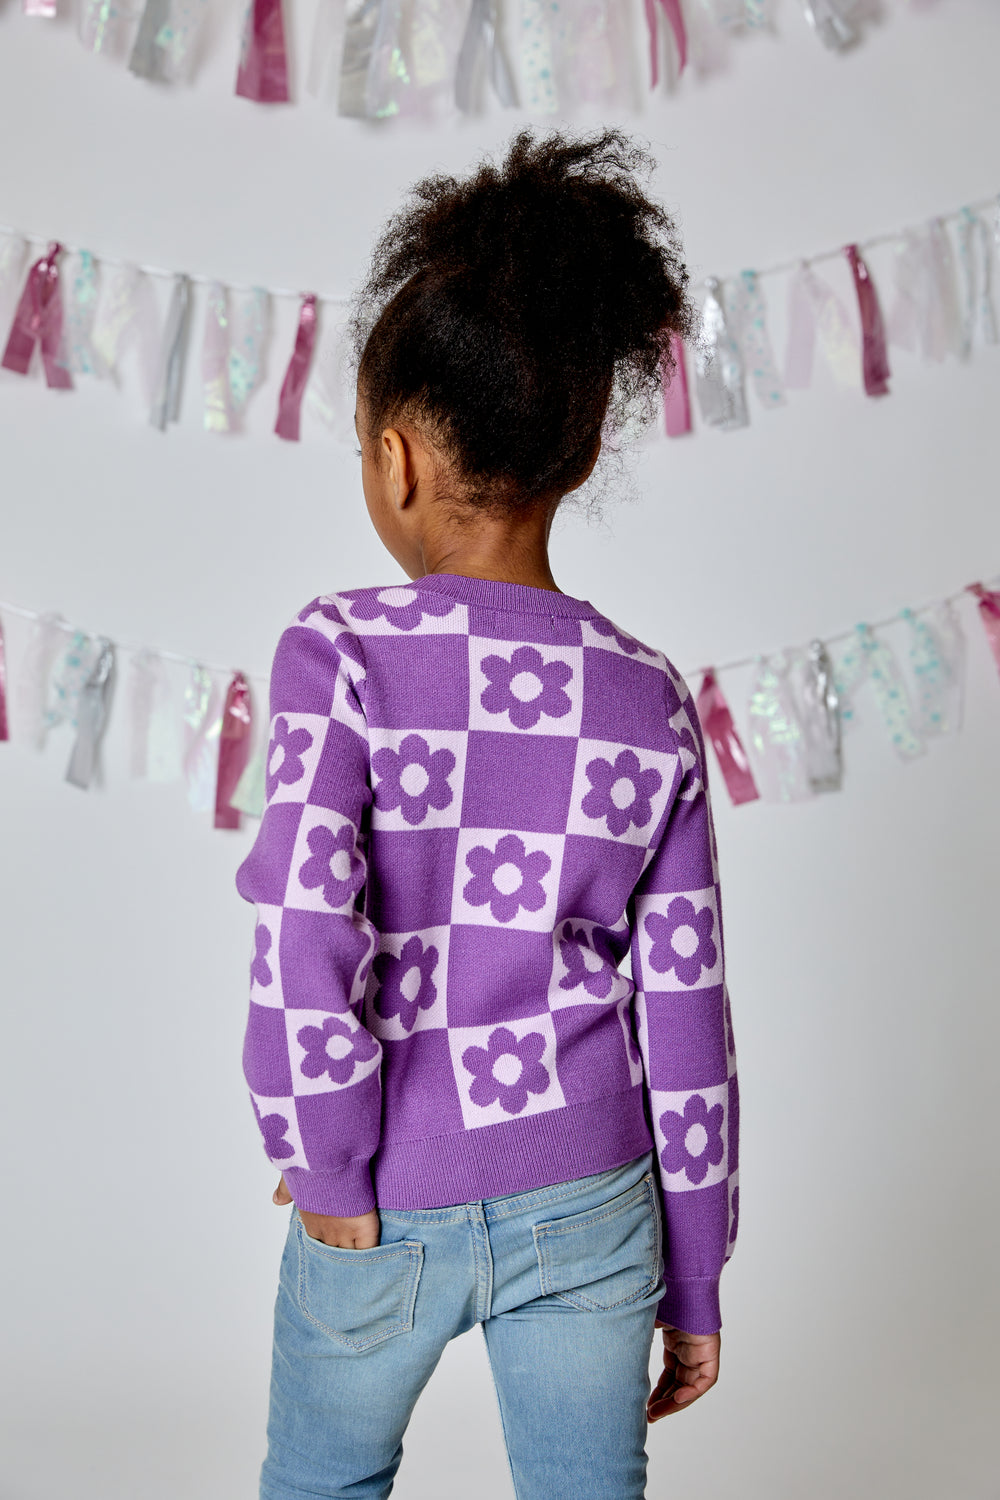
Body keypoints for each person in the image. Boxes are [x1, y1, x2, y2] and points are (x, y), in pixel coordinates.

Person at [236, 127, 739, 1500]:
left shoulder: (342, 651)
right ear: (577, 454)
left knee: (320, 1486)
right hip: (595, 1197)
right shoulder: (647, 694)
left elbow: (301, 927)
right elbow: (687, 1010)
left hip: (382, 1199)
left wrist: (326, 1162)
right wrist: (695, 1270)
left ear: (395, 459)